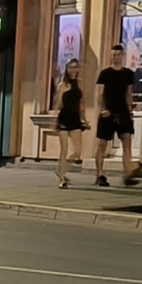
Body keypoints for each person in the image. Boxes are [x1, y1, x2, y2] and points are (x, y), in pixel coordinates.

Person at [94, 51, 140, 186]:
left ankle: (127, 174)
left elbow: (128, 93)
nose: (116, 57)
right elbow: (100, 93)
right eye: (113, 55)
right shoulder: (105, 74)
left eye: (118, 54)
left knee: (127, 142)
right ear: (111, 56)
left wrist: (130, 111)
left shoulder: (128, 74)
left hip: (123, 112)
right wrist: (102, 109)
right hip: (108, 111)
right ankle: (100, 175)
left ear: (123, 56)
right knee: (102, 144)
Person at [53, 60, 86, 188]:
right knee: (64, 150)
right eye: (70, 68)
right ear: (66, 69)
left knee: (77, 151)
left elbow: (81, 104)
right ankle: (62, 179)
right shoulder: (62, 85)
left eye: (75, 67)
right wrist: (54, 119)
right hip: (64, 117)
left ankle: (62, 168)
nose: (73, 70)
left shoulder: (79, 84)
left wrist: (84, 119)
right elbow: (58, 104)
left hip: (75, 118)